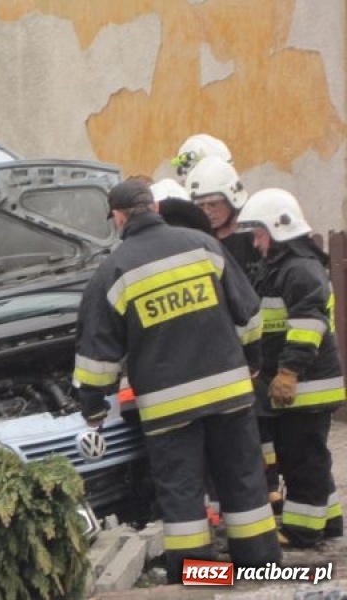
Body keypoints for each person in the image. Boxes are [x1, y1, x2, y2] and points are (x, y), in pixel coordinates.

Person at [69, 178, 281, 584]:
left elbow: (97, 357)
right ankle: (259, 573)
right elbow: (250, 314)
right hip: (230, 395)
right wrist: (252, 362)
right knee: (244, 484)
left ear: (118, 217)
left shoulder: (113, 272)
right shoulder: (203, 246)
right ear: (155, 207)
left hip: (170, 410)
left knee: (182, 499)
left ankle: (202, 582)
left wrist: (94, 407)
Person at [237, 188, 345, 548]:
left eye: (259, 233)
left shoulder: (299, 270)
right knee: (310, 457)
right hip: (300, 385)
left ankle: (303, 532)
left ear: (278, 228)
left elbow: (308, 326)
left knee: (302, 463)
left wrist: (288, 373)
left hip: (304, 386)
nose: (255, 242)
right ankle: (328, 521)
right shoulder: (285, 268)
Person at [184, 156, 281, 510]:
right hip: (220, 350)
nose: (208, 211)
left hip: (258, 349)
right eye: (202, 205)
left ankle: (270, 486)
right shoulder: (197, 243)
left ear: (233, 199)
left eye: (215, 203)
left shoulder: (250, 239)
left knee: (263, 424)